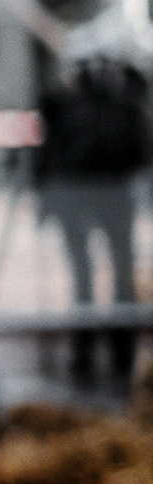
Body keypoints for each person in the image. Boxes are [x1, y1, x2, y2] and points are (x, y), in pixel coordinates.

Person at [36, 54, 148, 381]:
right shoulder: (118, 102)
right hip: (99, 197)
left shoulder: (107, 104)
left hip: (97, 196)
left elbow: (50, 155)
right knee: (108, 272)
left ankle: (101, 350)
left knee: (103, 273)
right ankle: (105, 350)